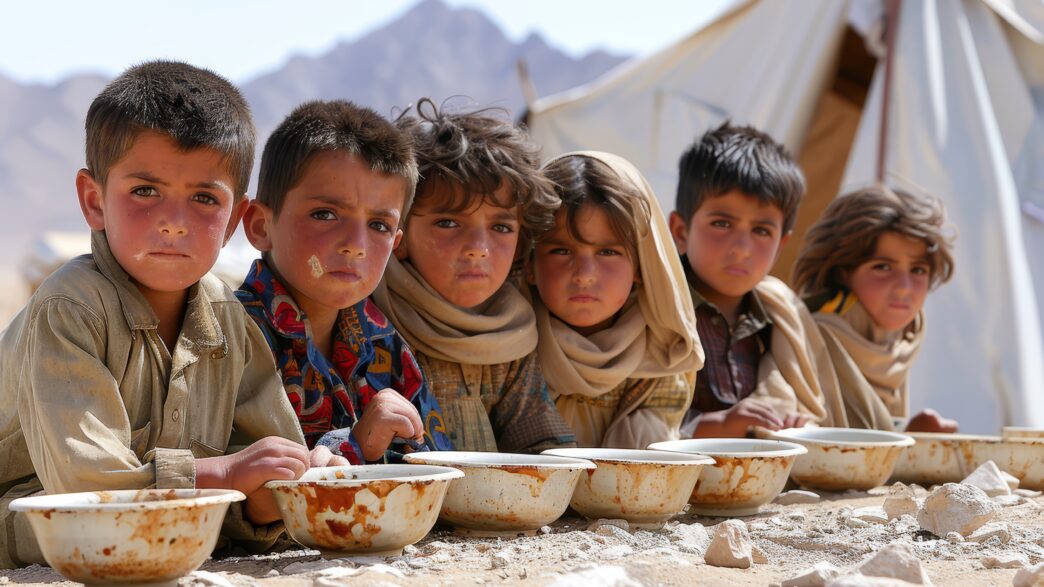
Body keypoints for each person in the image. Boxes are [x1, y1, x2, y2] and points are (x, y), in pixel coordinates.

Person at [0, 61, 345, 568]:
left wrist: (285, 481)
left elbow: (262, 460)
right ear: (94, 201)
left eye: (204, 198)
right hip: (34, 517)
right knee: (93, 533)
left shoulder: (228, 318)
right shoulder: (69, 308)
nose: (174, 223)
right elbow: (86, 490)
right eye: (145, 191)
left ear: (232, 220)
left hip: (170, 530)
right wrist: (224, 477)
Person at [237, 100, 452, 463]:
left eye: (379, 226)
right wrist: (356, 444)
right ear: (260, 226)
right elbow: (239, 479)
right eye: (325, 214)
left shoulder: (382, 340)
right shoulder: (230, 338)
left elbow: (437, 464)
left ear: (395, 244)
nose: (356, 245)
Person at [372, 99, 576, 453]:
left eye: (500, 226)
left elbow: (541, 444)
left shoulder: (510, 332)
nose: (478, 248)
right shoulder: (370, 325)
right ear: (400, 235)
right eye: (449, 222)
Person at [668, 122, 847, 438]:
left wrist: (792, 426)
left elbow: (801, 404)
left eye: (762, 231)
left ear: (781, 246)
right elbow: (633, 421)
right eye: (722, 223)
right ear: (681, 232)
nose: (741, 249)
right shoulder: (659, 312)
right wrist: (714, 427)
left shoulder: (779, 321)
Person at [528, 151, 702, 448]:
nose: (584, 275)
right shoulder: (506, 348)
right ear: (529, 262)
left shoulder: (662, 353)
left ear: (641, 266)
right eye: (562, 251)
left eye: (608, 252)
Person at [793, 185, 958, 432]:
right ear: (843, 272)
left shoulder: (904, 339)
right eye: (883, 267)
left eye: (918, 270)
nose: (904, 288)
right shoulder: (808, 339)